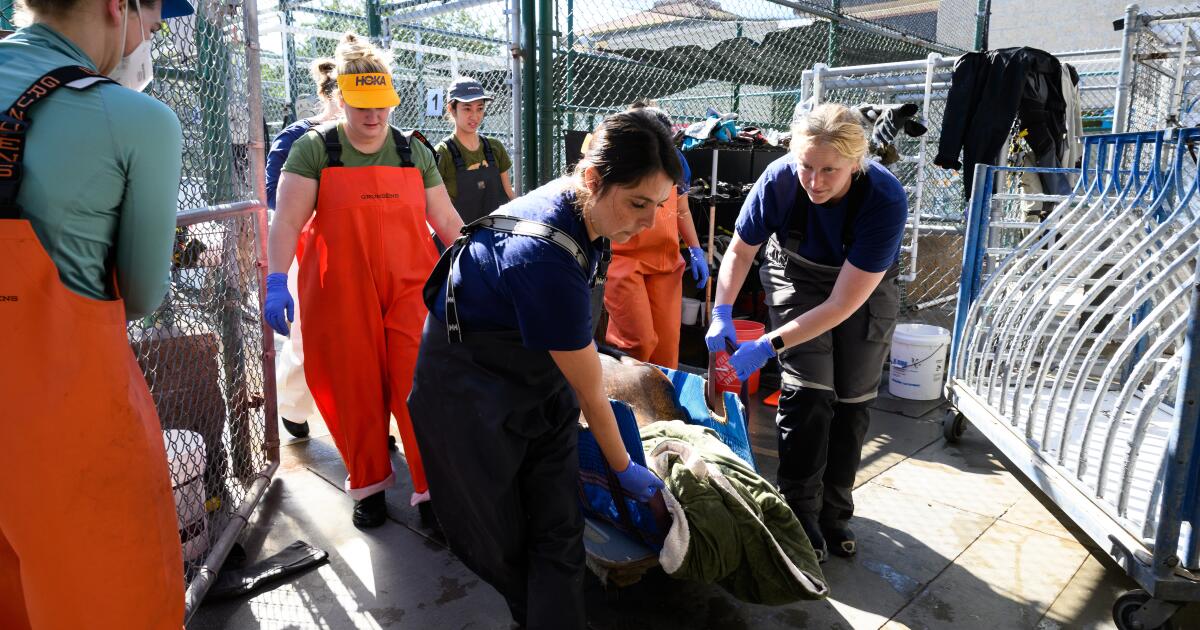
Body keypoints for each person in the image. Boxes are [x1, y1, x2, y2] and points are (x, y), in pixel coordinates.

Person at [408, 109, 676, 629]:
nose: (648, 222)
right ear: (593, 178)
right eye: (638, 203)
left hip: (538, 378)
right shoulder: (543, 255)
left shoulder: (590, 210)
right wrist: (624, 469)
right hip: (467, 391)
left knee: (558, 525)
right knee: (498, 540)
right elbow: (592, 392)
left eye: (659, 205)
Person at [0, 0, 193, 627]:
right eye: (152, 26)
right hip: (61, 421)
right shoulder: (136, 119)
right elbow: (141, 294)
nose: (147, 43)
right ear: (119, 7)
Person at [265, 32, 464, 529]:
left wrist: (479, 264)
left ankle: (432, 488)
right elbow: (286, 221)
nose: (373, 117)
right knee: (353, 387)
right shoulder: (315, 150)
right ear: (341, 98)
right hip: (340, 291)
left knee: (419, 384)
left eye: (382, 106)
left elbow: (445, 218)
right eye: (361, 106)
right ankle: (369, 485)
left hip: (409, 287)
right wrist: (275, 279)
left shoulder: (412, 151)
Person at [706, 103, 907, 562]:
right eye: (806, 167)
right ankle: (798, 512)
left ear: (856, 163)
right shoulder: (779, 180)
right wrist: (721, 311)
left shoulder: (884, 197)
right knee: (810, 391)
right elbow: (740, 251)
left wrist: (766, 344)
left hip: (861, 288)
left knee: (853, 398)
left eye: (829, 170)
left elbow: (842, 303)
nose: (814, 182)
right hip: (795, 275)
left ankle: (834, 513)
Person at [264, 57, 343, 439]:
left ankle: (362, 416)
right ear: (332, 94)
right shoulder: (299, 134)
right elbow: (272, 195)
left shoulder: (372, 135)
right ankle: (293, 405)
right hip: (305, 245)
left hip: (349, 245)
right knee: (305, 334)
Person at [604, 103, 708, 368]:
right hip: (625, 260)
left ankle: (662, 394)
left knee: (667, 346)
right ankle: (625, 393)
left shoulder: (676, 161)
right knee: (636, 342)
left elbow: (681, 207)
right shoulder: (620, 157)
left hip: (666, 263)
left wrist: (696, 249)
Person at [434, 76, 516, 224]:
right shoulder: (442, 153)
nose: (475, 116)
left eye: (480, 108)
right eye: (467, 109)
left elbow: (509, 193)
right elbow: (435, 207)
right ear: (451, 109)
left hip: (497, 230)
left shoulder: (495, 147)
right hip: (460, 233)